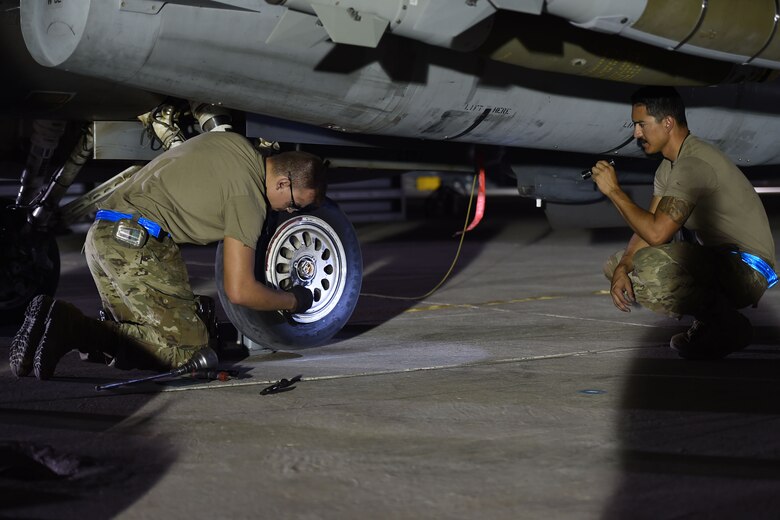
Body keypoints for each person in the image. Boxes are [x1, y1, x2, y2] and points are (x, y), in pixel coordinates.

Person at [10, 129, 327, 379]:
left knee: (141, 334)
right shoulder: (249, 199)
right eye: (294, 204)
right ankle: (69, 326)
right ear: (283, 182)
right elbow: (239, 290)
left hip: (102, 236)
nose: (288, 211)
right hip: (138, 243)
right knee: (191, 352)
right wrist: (294, 300)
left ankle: (46, 333)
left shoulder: (233, 144)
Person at [589, 86, 776, 360]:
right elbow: (649, 229)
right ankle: (714, 320)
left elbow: (657, 233)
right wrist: (623, 265)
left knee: (652, 267)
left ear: (667, 122)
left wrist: (614, 192)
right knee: (620, 264)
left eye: (641, 124)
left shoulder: (692, 164)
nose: (636, 134)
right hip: (721, 260)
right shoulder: (669, 166)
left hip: (749, 268)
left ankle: (728, 325)